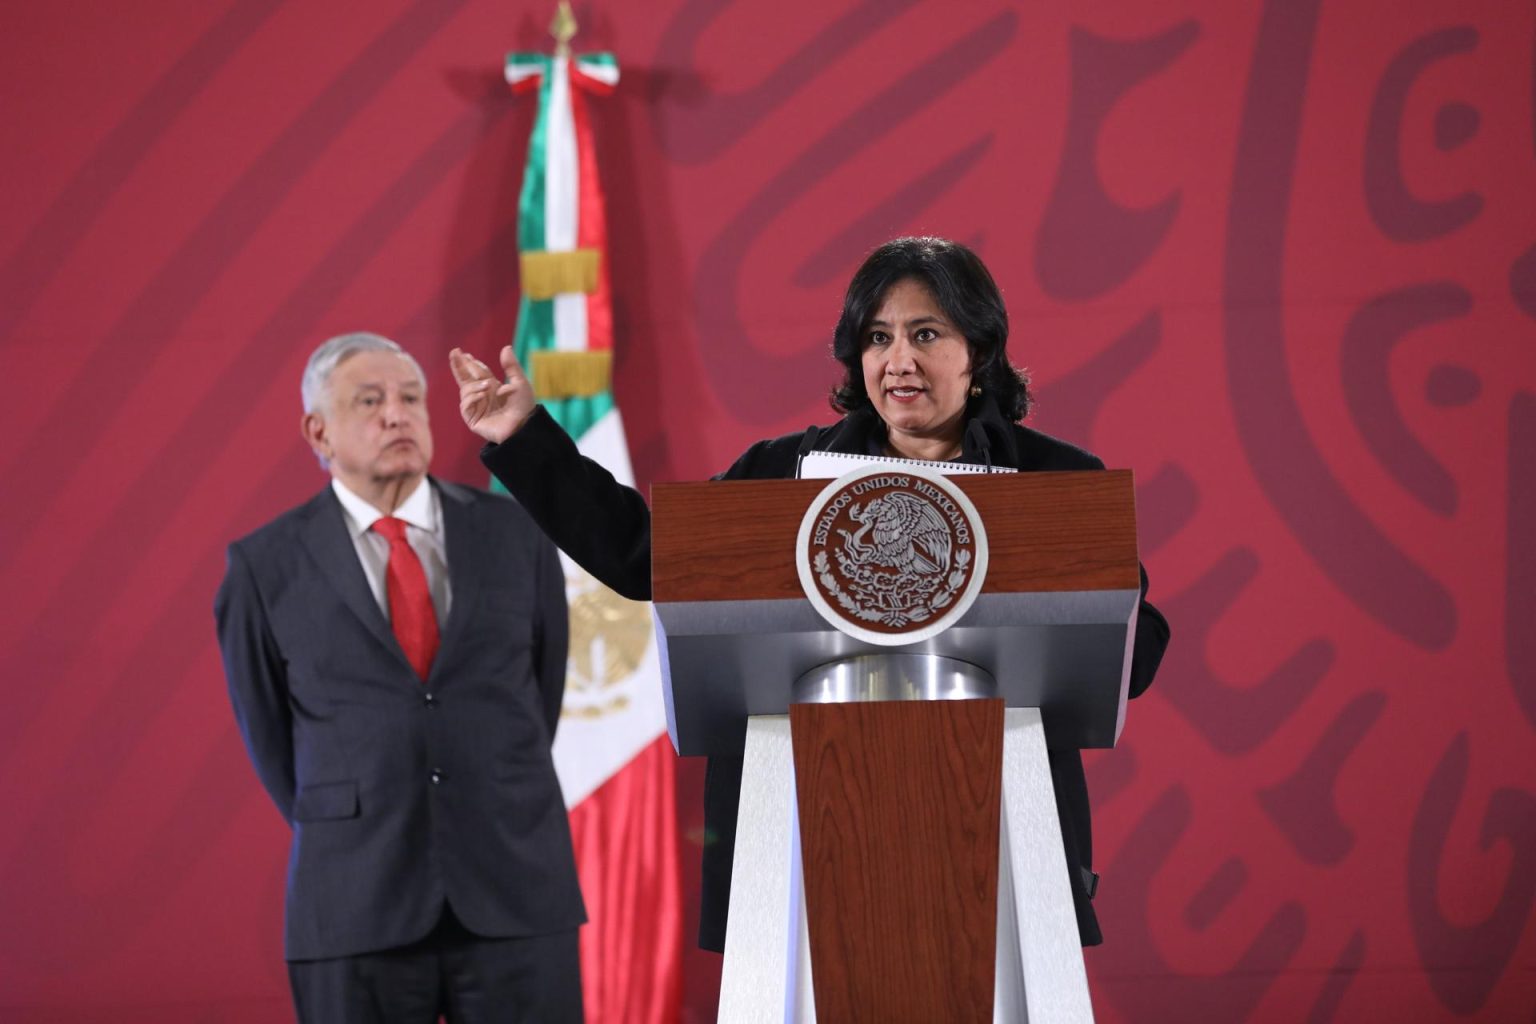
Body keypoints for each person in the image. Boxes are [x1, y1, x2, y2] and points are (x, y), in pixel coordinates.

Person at [451, 236, 1170, 951]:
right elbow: (645, 559)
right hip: (804, 820)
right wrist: (524, 438)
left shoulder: (1057, 483)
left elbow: (1131, 652)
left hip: (996, 819)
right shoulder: (783, 474)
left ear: (978, 352)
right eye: (877, 338)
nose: (899, 362)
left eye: (926, 334)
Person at [215, 332, 584, 1023]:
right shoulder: (264, 566)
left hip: (515, 889)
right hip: (355, 898)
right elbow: (270, 738)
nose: (397, 414)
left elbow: (543, 691)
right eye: (370, 401)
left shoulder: (517, 534)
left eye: (411, 398)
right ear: (316, 431)